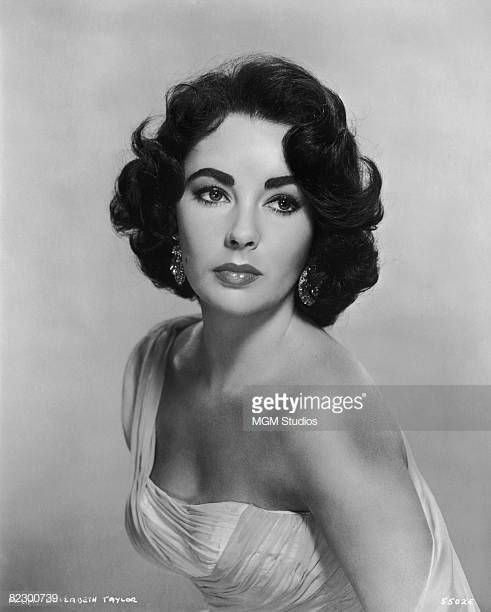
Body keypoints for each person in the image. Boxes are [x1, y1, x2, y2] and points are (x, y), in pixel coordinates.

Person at [110, 55, 479, 611]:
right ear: (170, 210)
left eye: (282, 203)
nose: (242, 233)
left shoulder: (321, 418)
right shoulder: (154, 365)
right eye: (213, 193)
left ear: (317, 234)